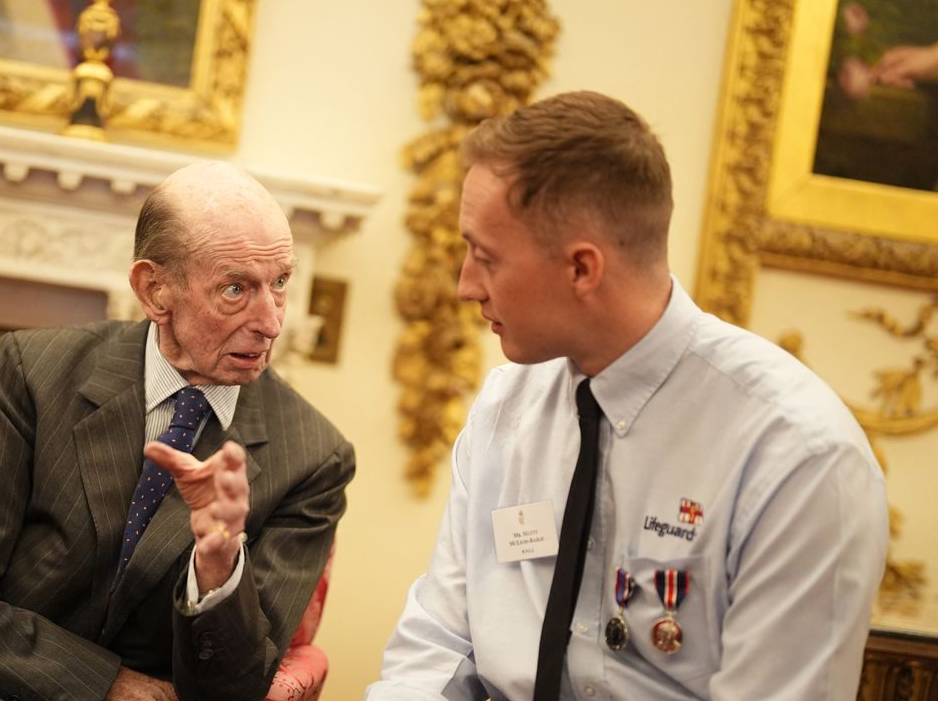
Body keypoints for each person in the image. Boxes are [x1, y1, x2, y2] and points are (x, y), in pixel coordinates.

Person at [366, 91, 888, 700]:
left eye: (485, 257)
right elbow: (437, 645)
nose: (465, 287)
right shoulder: (509, 406)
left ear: (583, 269)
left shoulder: (798, 456)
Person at [0, 161, 355, 701]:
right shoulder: (34, 373)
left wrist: (217, 564)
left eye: (280, 283)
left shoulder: (312, 457)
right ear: (155, 291)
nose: (272, 322)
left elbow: (232, 691)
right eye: (236, 289)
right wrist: (108, 687)